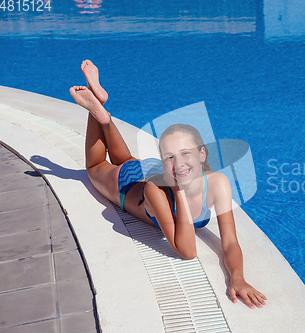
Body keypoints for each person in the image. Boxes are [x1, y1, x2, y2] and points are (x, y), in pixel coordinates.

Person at [69, 60, 266, 309]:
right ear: (164, 162)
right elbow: (187, 250)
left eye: (186, 154)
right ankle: (97, 112)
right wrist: (177, 189)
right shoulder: (156, 190)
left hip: (150, 169)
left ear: (202, 155)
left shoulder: (218, 183)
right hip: (128, 184)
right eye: (170, 157)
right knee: (95, 166)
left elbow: (229, 242)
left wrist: (238, 278)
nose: (179, 163)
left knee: (126, 158)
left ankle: (103, 113)